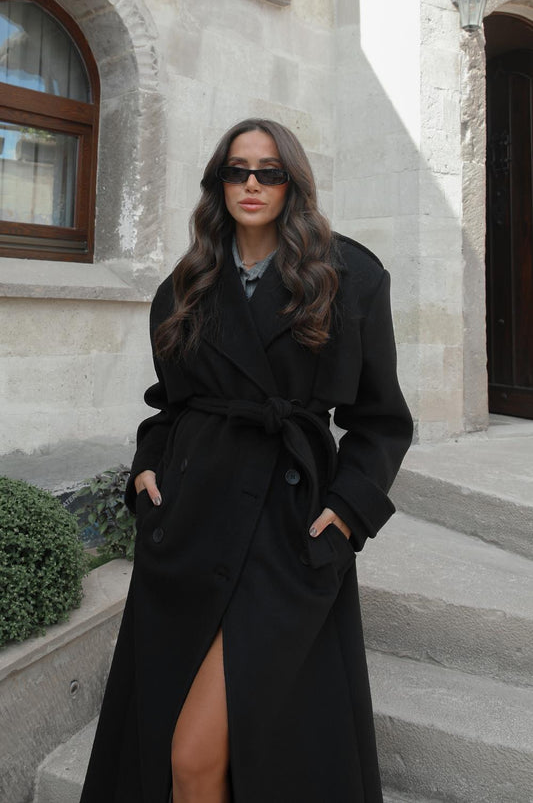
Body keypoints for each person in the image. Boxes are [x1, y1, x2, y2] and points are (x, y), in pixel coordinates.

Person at [80, 118, 413, 803]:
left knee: (197, 755)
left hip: (287, 530)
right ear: (218, 183)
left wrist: (347, 511)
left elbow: (381, 421)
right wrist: (147, 467)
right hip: (190, 521)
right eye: (237, 171)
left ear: (293, 182)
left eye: (269, 171)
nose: (252, 184)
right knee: (176, 744)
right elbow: (169, 405)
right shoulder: (185, 286)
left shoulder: (348, 277)